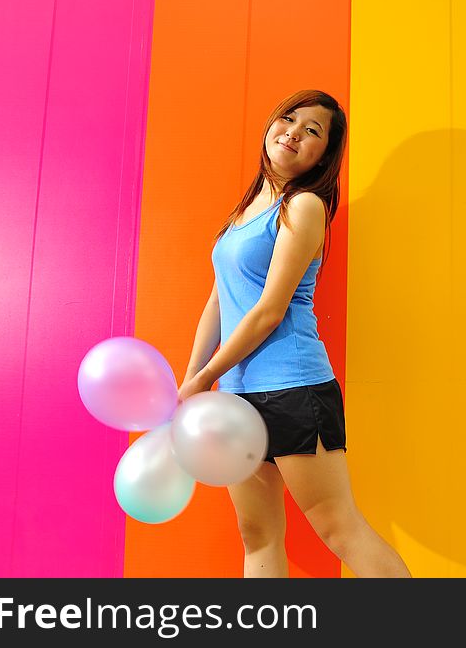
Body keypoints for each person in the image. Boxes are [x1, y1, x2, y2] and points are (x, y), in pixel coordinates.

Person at [176, 89, 411, 578]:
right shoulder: (244, 213)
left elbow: (267, 311)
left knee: (338, 528)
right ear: (270, 124)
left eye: (313, 132)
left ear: (323, 156)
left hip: (293, 387)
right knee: (257, 535)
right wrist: (194, 376)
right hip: (238, 395)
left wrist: (204, 380)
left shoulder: (303, 207)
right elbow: (219, 300)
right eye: (290, 119)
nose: (295, 133)